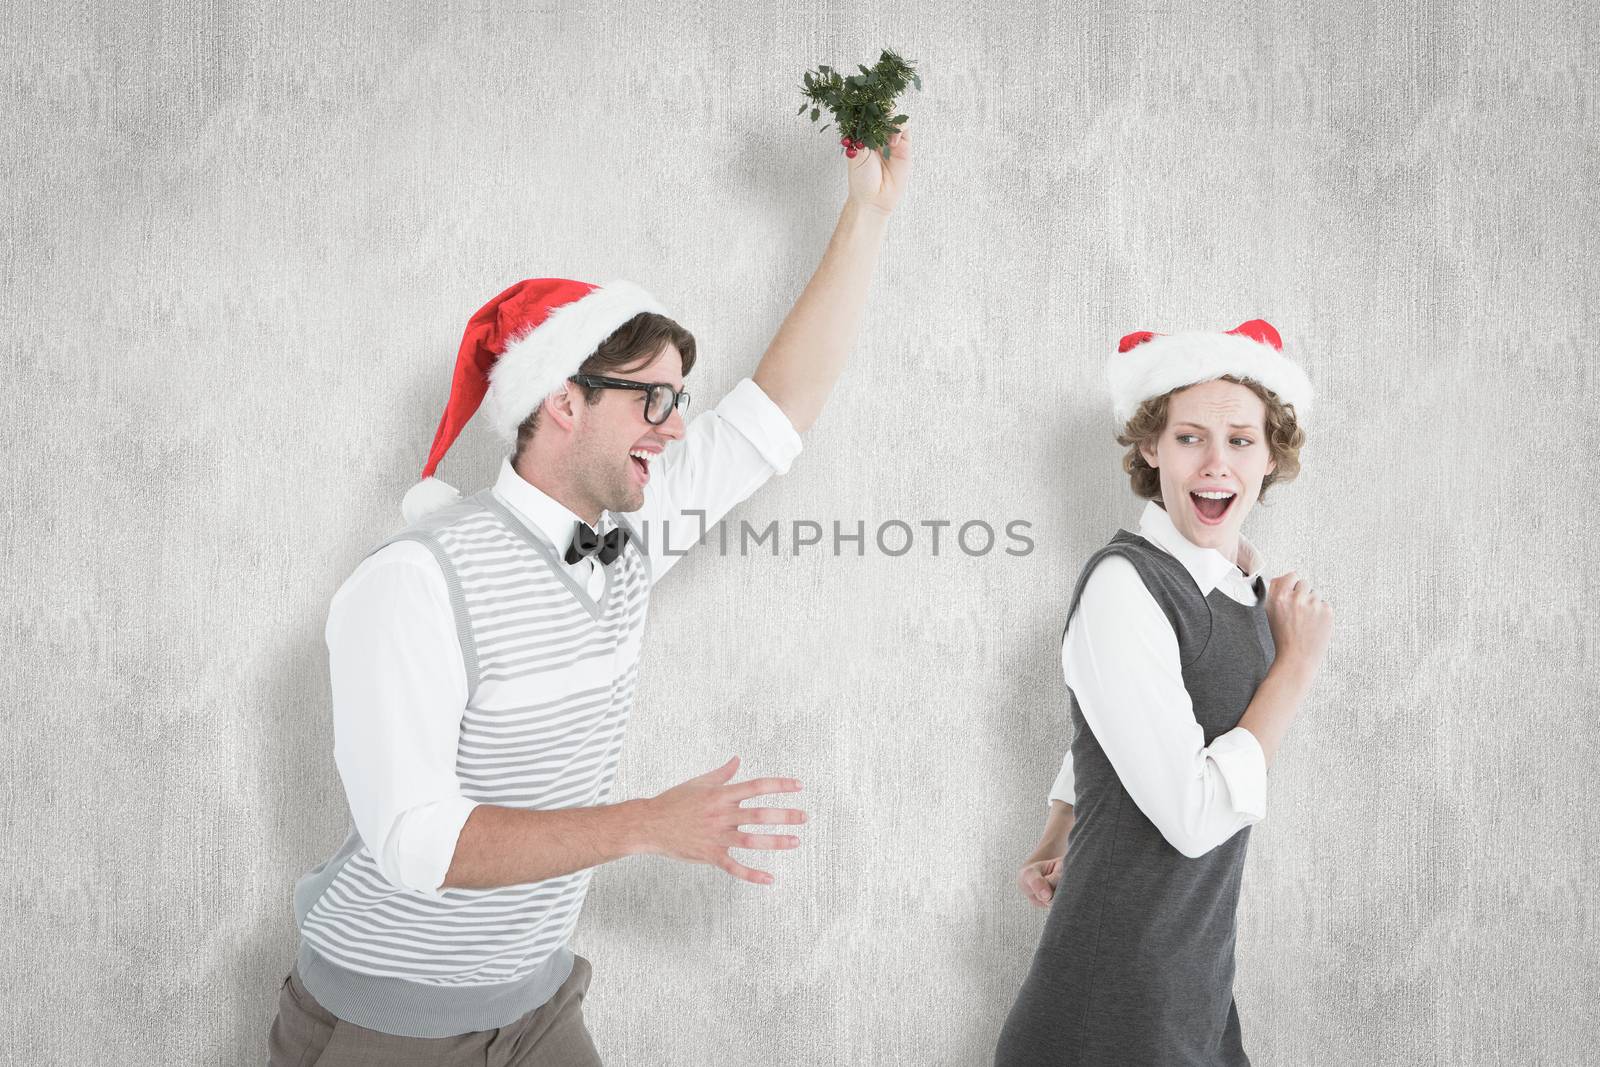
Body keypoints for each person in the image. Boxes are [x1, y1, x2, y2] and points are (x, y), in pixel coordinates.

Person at [267, 129, 912, 1065]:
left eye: (679, 397)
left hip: (538, 1004)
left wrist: (867, 213)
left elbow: (779, 409)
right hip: (385, 1020)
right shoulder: (413, 586)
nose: (677, 424)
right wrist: (650, 823)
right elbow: (419, 845)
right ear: (562, 400)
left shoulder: (629, 532)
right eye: (653, 398)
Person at [995, 320, 1334, 1066]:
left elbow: (1121, 719)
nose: (1216, 463)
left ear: (1272, 454)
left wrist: (1060, 826)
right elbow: (1189, 814)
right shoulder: (1125, 584)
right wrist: (1295, 668)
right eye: (1190, 438)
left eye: (1241, 440)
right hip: (1117, 991)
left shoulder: (1238, 580)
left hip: (1192, 979)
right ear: (1152, 447)